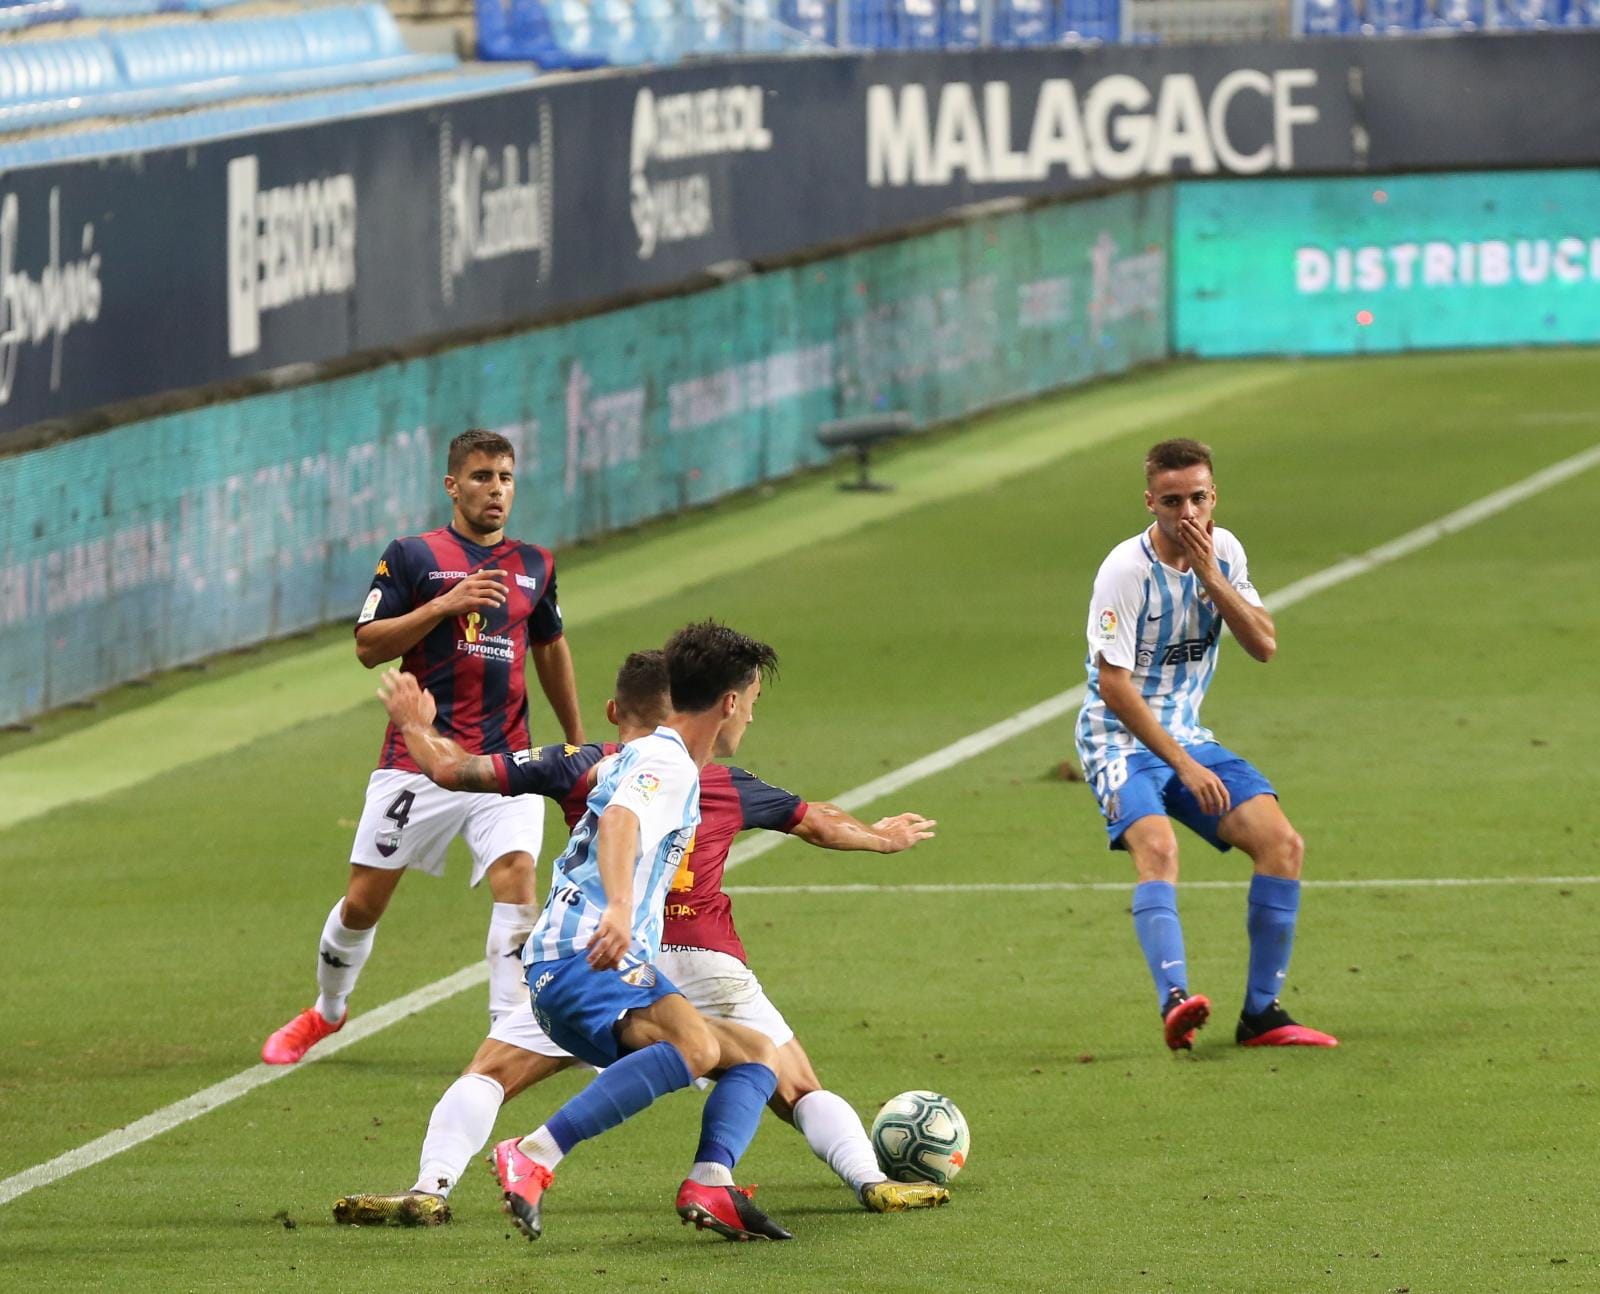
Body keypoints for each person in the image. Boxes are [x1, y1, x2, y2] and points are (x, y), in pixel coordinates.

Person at [333, 652, 943, 1228]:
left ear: (612, 711)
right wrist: (879, 836)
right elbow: (817, 820)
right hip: (673, 956)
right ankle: (864, 1177)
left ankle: (431, 1187)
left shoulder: (580, 762)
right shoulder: (716, 779)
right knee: (792, 1080)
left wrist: (415, 727)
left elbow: (452, 768)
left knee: (492, 1071)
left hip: (603, 952)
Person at [261, 428, 584, 1066]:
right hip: (418, 760)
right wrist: (444, 605)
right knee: (363, 900)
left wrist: (574, 741)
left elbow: (550, 649)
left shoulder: (535, 564)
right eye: (483, 477)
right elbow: (368, 646)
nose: (496, 490)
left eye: (506, 478)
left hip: (504, 762)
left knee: (517, 878)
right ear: (452, 485)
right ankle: (326, 1012)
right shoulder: (412, 555)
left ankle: (507, 1035)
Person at [1073, 438, 1337, 1053]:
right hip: (1118, 741)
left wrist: (1215, 577)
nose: (1186, 513)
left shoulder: (1226, 551)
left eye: (1197, 498)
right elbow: (1114, 687)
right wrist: (1183, 765)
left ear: (1213, 495)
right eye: (1171, 501)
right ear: (1150, 503)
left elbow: (1264, 644)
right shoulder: (1124, 572)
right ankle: (1175, 1002)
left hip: (1188, 734)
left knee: (1282, 844)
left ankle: (1262, 1015)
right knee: (1159, 849)